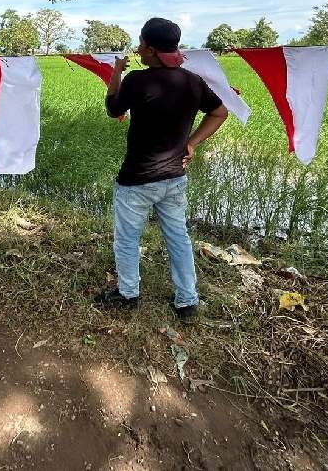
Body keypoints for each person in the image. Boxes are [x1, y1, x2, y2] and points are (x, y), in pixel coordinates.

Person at [95, 17, 228, 323]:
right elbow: (219, 112)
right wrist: (192, 143)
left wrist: (116, 73)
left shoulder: (138, 81)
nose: (138, 49)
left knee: (128, 238)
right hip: (174, 179)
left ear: (152, 50)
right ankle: (187, 301)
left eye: (141, 44)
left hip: (137, 181)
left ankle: (128, 295)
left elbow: (113, 108)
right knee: (178, 237)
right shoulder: (192, 81)